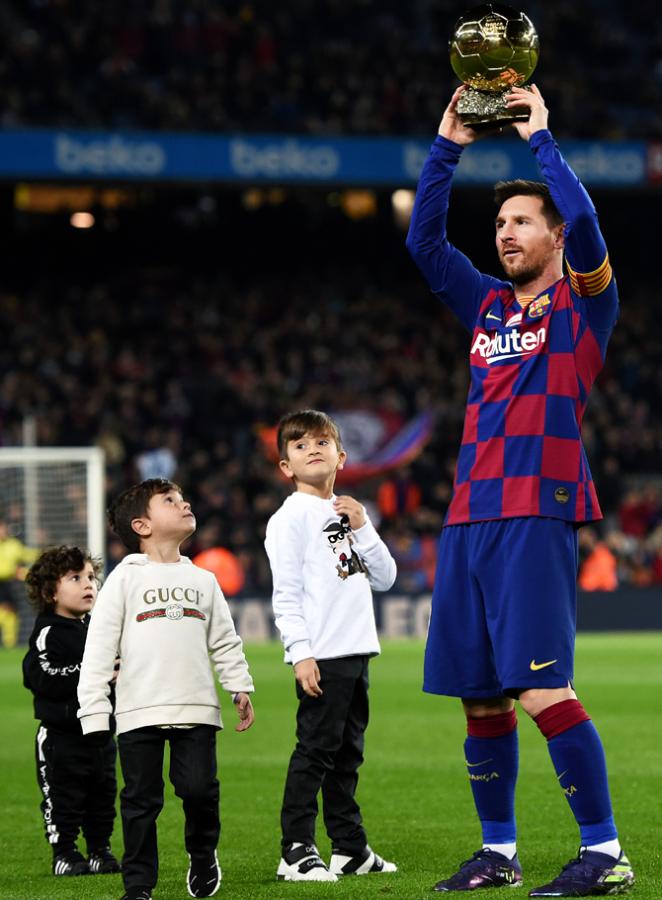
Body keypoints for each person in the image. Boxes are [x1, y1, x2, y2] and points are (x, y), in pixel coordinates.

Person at [406, 85, 634, 896]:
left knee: (541, 686)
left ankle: (605, 854)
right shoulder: (486, 306)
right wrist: (448, 144)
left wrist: (542, 141)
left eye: (523, 221)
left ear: (557, 235)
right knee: (480, 698)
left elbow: (595, 231)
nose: (506, 233)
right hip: (469, 516)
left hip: (538, 508)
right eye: (500, 224)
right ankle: (498, 853)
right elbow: (425, 244)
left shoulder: (583, 309)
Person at [77, 478, 255, 900]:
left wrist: (238, 685)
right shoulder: (123, 580)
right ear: (142, 525)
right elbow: (99, 647)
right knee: (140, 801)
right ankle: (138, 885)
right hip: (139, 710)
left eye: (182, 498)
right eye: (170, 501)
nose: (184, 503)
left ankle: (202, 853)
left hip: (196, 707)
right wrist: (94, 710)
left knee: (198, 789)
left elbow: (225, 640)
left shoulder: (204, 580)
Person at [264, 409, 398, 882]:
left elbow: (385, 577)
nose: (312, 449)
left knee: (347, 754)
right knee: (315, 751)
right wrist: (300, 652)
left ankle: (350, 847)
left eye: (322, 442)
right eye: (299, 445)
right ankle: (296, 849)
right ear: (286, 467)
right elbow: (286, 592)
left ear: (341, 456)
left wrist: (363, 525)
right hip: (323, 653)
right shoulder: (289, 519)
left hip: (357, 650)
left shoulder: (346, 512)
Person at [23, 546, 120, 877]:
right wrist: (92, 670)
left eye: (91, 577)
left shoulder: (100, 628)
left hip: (101, 733)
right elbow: (40, 675)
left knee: (102, 796)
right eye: (75, 578)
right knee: (63, 798)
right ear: (51, 591)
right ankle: (64, 853)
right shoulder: (48, 633)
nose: (88, 584)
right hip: (61, 737)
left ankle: (99, 850)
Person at [0, 517, 39, 649]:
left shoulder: (13, 545)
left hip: (7, 584)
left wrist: (43, 553)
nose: (2, 531)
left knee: (10, 615)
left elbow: (27, 555)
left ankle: (9, 645)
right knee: (5, 614)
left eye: (3, 527)